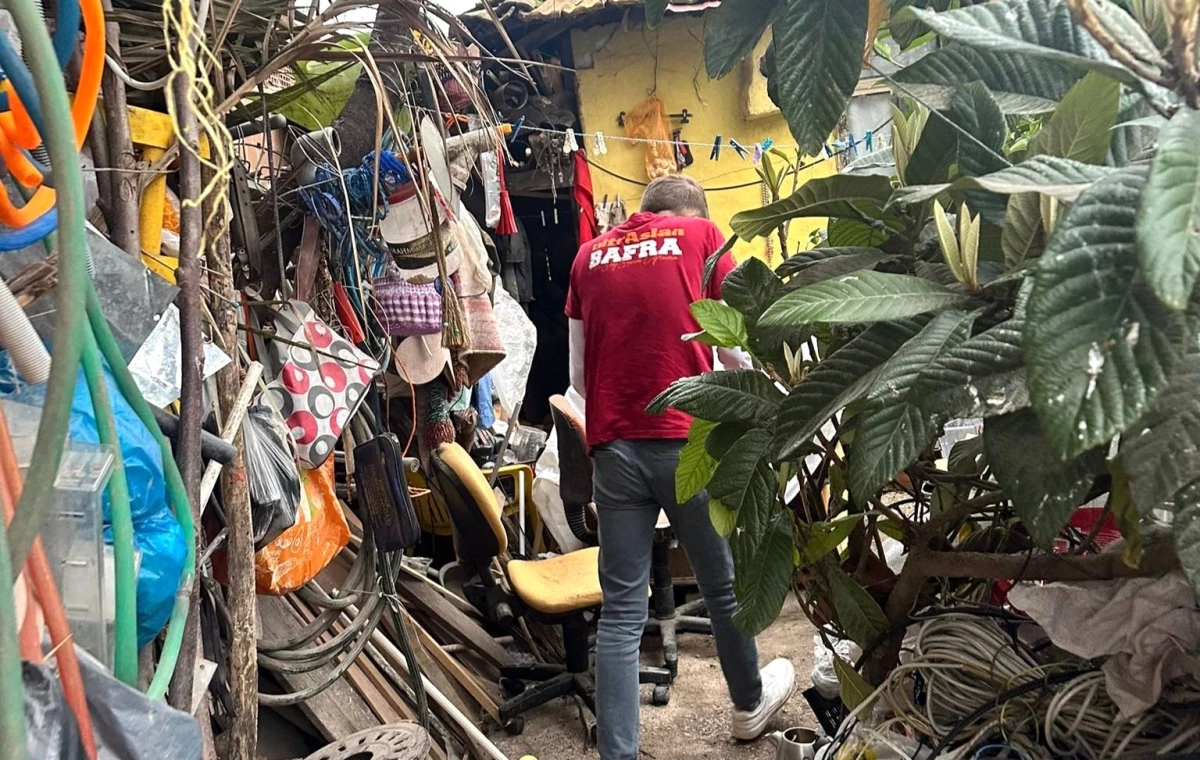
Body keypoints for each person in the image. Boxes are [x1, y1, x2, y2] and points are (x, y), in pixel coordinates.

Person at [565, 174, 796, 759]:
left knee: (621, 609)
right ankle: (748, 707)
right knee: (720, 582)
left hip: (613, 448)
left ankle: (618, 755)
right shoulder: (702, 238)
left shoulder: (586, 257)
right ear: (691, 213)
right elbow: (735, 355)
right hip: (687, 441)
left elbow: (575, 379)